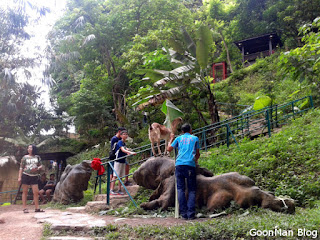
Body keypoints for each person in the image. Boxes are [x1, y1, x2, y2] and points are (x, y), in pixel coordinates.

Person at [168, 123, 200, 220]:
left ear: (182, 131)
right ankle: (191, 214)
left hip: (179, 165)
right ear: (190, 130)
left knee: (180, 189)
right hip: (190, 165)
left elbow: (169, 149)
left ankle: (183, 214)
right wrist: (195, 160)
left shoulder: (178, 138)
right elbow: (197, 154)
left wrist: (171, 139)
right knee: (191, 190)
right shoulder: (195, 138)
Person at [18, 144, 45, 213]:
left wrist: (37, 168)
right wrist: (19, 177)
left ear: (33, 149)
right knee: (25, 192)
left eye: (30, 148)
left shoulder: (37, 157)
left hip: (34, 176)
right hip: (25, 175)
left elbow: (41, 165)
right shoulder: (25, 157)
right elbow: (21, 167)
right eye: (28, 148)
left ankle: (37, 208)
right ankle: (25, 208)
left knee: (35, 192)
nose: (29, 149)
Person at [110, 130, 136, 195]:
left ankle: (119, 189)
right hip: (118, 161)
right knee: (115, 176)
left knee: (121, 176)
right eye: (124, 134)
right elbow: (123, 150)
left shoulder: (124, 143)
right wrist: (130, 152)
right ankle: (111, 189)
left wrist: (129, 151)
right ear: (121, 135)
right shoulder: (120, 142)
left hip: (123, 161)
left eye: (126, 134)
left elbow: (125, 149)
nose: (125, 135)